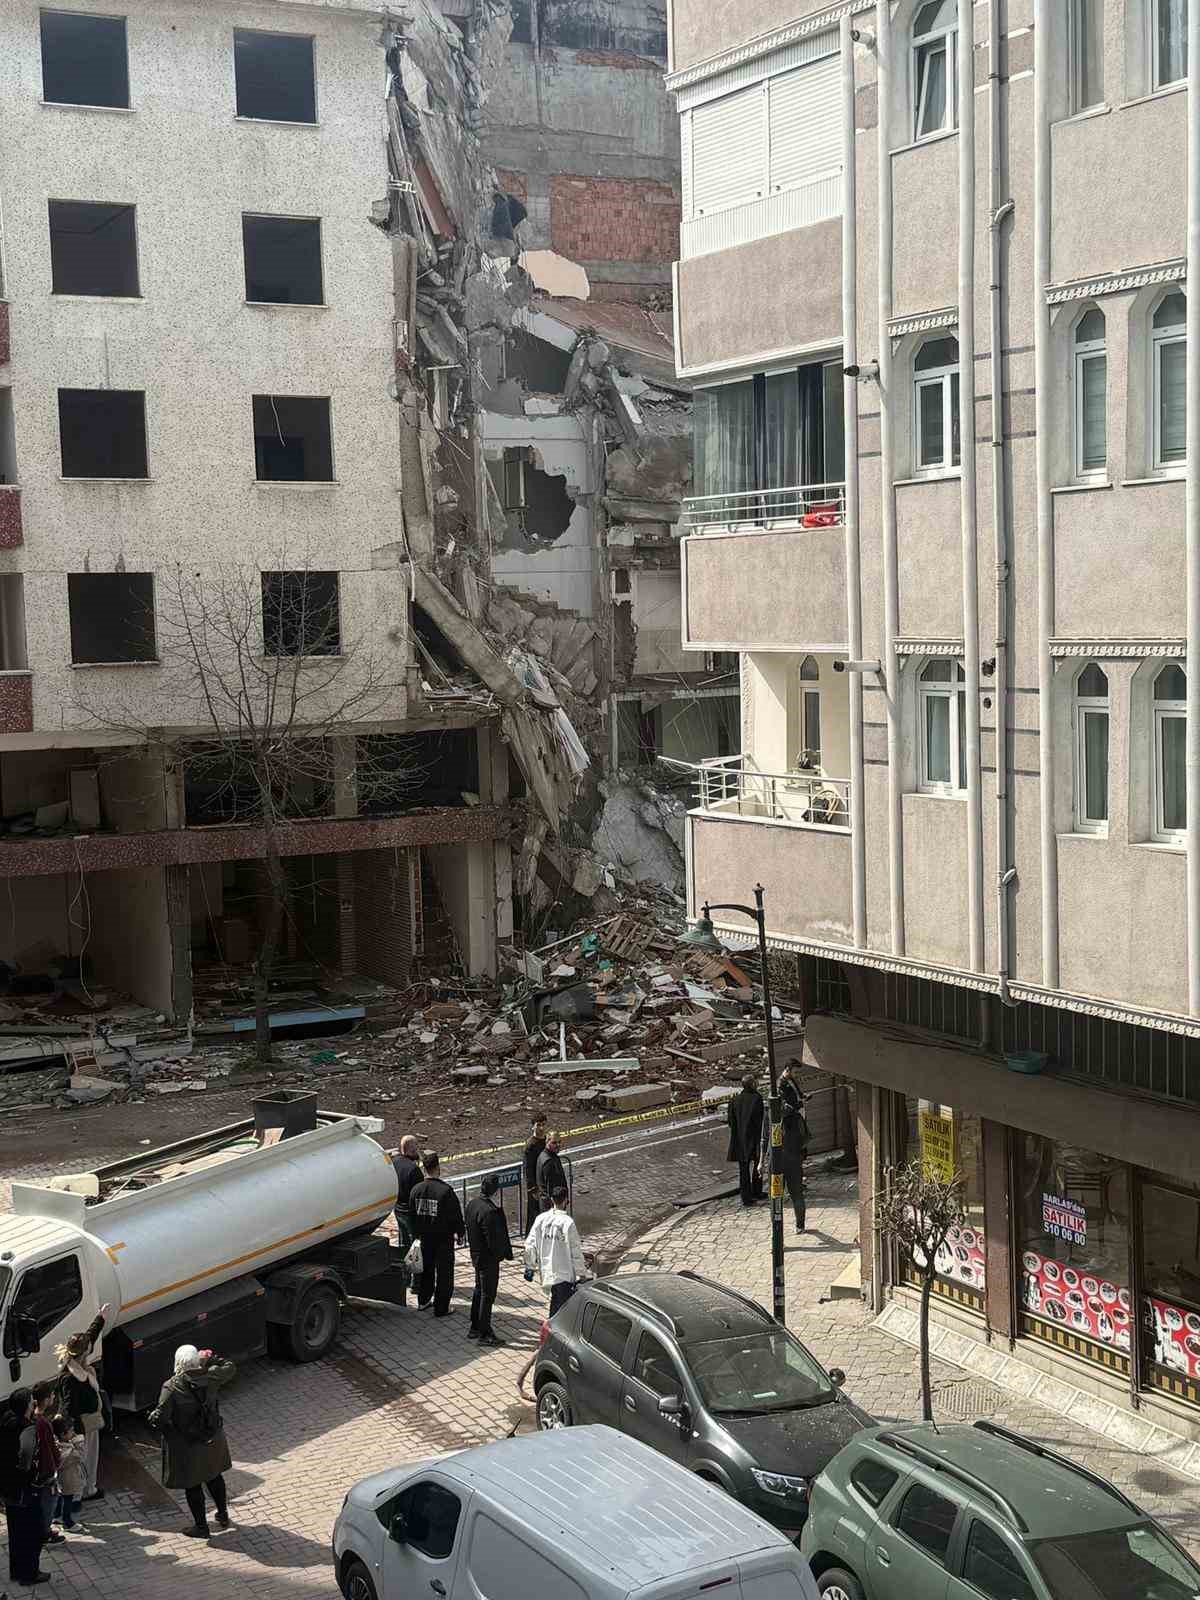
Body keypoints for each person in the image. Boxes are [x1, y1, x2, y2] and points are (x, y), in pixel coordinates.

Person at [148, 1345, 236, 1539]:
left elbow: (161, 1418)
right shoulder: (212, 1375)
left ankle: (201, 1527)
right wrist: (211, 1358)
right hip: (212, 1436)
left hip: (188, 1444)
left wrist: (153, 1417)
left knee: (193, 1485)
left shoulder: (171, 1387)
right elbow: (230, 1366)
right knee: (214, 1476)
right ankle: (223, 1515)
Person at [56, 1302, 111, 1503]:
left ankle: (86, 1489)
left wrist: (100, 1318)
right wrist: (72, 1431)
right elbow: (69, 1406)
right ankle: (83, 1493)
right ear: (83, 1354)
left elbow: (88, 1337)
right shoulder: (71, 1379)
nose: (90, 1349)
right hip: (82, 1426)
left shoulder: (73, 1364)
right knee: (85, 1459)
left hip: (86, 1423)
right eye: (88, 1349)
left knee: (87, 1458)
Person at [0, 1388, 48, 1587]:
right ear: (27, 1405)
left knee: (16, 1532)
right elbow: (26, 1461)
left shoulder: (6, 1421)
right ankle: (29, 1573)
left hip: (8, 1488)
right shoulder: (27, 1428)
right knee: (33, 1531)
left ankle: (17, 1571)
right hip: (24, 1489)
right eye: (31, 1400)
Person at [409, 1150, 465, 1317]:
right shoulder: (445, 1191)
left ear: (424, 1168)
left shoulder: (416, 1190)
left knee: (426, 1270)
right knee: (444, 1274)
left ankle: (423, 1301)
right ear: (438, 1168)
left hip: (424, 1239)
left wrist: (415, 1235)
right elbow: (456, 1216)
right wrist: (460, 1233)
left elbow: (411, 1216)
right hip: (443, 1240)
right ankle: (441, 1307)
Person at [464, 1173, 514, 1347]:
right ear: (495, 1192)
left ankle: (475, 1326)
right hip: (488, 1260)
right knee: (488, 1295)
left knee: (479, 1289)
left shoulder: (472, 1204)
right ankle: (484, 1333)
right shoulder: (490, 1212)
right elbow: (493, 1240)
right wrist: (502, 1254)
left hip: (476, 1255)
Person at [524, 1186, 587, 1316]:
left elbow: (530, 1244)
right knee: (563, 1311)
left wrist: (530, 1266)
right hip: (564, 1275)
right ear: (566, 1200)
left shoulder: (541, 1219)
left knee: (555, 1304)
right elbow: (575, 1251)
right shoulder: (568, 1222)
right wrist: (582, 1273)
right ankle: (551, 1327)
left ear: (552, 1200)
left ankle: (550, 1326)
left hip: (548, 1273)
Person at [778, 1062, 811, 1233]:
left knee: (789, 1194)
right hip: (790, 1153)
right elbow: (787, 1106)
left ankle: (798, 1225)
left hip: (789, 1154)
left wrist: (803, 1098)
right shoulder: (781, 1085)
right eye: (795, 1072)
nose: (797, 1075)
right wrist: (798, 1105)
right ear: (788, 1069)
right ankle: (797, 1225)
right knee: (792, 1194)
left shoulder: (792, 1082)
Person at [28, 1384, 62, 1546]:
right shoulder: (43, 1423)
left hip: (36, 1471)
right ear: (46, 1399)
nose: (54, 1397)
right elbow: (48, 1449)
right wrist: (55, 1464)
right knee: (49, 1501)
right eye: (52, 1395)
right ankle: (45, 1533)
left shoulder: (32, 1418)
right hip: (46, 1471)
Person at [727, 1074, 766, 1208]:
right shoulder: (757, 1098)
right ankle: (757, 1191)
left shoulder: (734, 1100)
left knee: (743, 1170)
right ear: (753, 1084)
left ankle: (746, 1198)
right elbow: (759, 1120)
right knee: (757, 1165)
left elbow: (731, 1121)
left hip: (739, 1140)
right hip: (754, 1138)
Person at [51, 1415, 83, 1533]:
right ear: (63, 1434)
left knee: (60, 1497)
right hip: (69, 1479)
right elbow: (80, 1455)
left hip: (60, 1479)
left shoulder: (57, 1446)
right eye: (71, 1431)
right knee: (68, 1500)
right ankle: (67, 1522)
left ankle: (56, 1516)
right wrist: (78, 1440)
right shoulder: (69, 1451)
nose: (73, 1433)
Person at [392, 1133, 423, 1254]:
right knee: (415, 1245)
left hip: (398, 1209)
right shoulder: (414, 1170)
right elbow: (419, 1195)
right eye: (417, 1147)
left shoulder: (394, 1162)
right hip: (410, 1212)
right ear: (413, 1149)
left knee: (403, 1240)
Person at [523, 1113, 547, 1221]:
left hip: (546, 1182)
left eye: (543, 1125)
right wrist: (533, 1189)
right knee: (535, 1215)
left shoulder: (547, 1140)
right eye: (538, 1125)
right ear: (533, 1126)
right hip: (537, 1186)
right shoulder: (530, 1145)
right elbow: (528, 1169)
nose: (541, 1128)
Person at [535, 1131, 567, 1209]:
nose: (558, 1145)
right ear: (547, 1142)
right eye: (554, 1143)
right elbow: (550, 1187)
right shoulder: (548, 1161)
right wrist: (557, 1204)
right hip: (552, 1205)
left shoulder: (547, 1156)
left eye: (559, 1142)